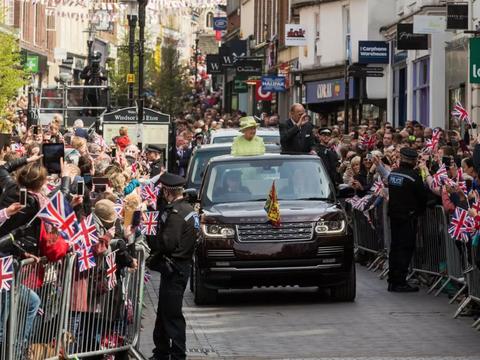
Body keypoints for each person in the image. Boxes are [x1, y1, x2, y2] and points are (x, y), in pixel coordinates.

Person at [150, 173, 198, 360]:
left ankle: (177, 353)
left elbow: (168, 243)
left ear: (168, 192)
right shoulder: (187, 209)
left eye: (163, 191)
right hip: (178, 266)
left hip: (175, 267)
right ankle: (161, 351)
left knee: (172, 314)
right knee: (164, 311)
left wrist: (152, 241)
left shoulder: (177, 213)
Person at [387, 147, 427, 292]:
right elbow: (423, 197)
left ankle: (392, 280)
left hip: (394, 216)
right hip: (408, 218)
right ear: (414, 161)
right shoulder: (414, 176)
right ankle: (400, 282)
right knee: (405, 249)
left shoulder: (393, 174)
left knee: (395, 248)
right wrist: (420, 210)